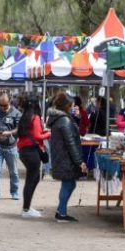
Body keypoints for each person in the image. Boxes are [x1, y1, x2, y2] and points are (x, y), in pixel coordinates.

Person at [48, 92, 88, 222]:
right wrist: (79, 161)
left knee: (70, 184)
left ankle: (61, 211)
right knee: (68, 184)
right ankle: (61, 213)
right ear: (66, 106)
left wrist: (75, 119)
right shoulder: (64, 120)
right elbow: (70, 142)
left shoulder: (62, 118)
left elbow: (71, 134)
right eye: (72, 106)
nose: (73, 108)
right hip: (65, 157)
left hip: (61, 155)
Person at [17, 98, 51, 219]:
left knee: (33, 179)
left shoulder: (25, 117)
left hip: (24, 151)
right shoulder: (35, 117)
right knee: (32, 180)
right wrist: (49, 133)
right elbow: (37, 136)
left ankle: (27, 207)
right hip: (32, 152)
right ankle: (26, 209)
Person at [0, 91, 21, 202]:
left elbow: (18, 129)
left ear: (10, 101)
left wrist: (8, 133)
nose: (3, 107)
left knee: (13, 172)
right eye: (1, 105)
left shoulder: (16, 113)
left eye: (5, 105)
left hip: (11, 147)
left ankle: (14, 191)